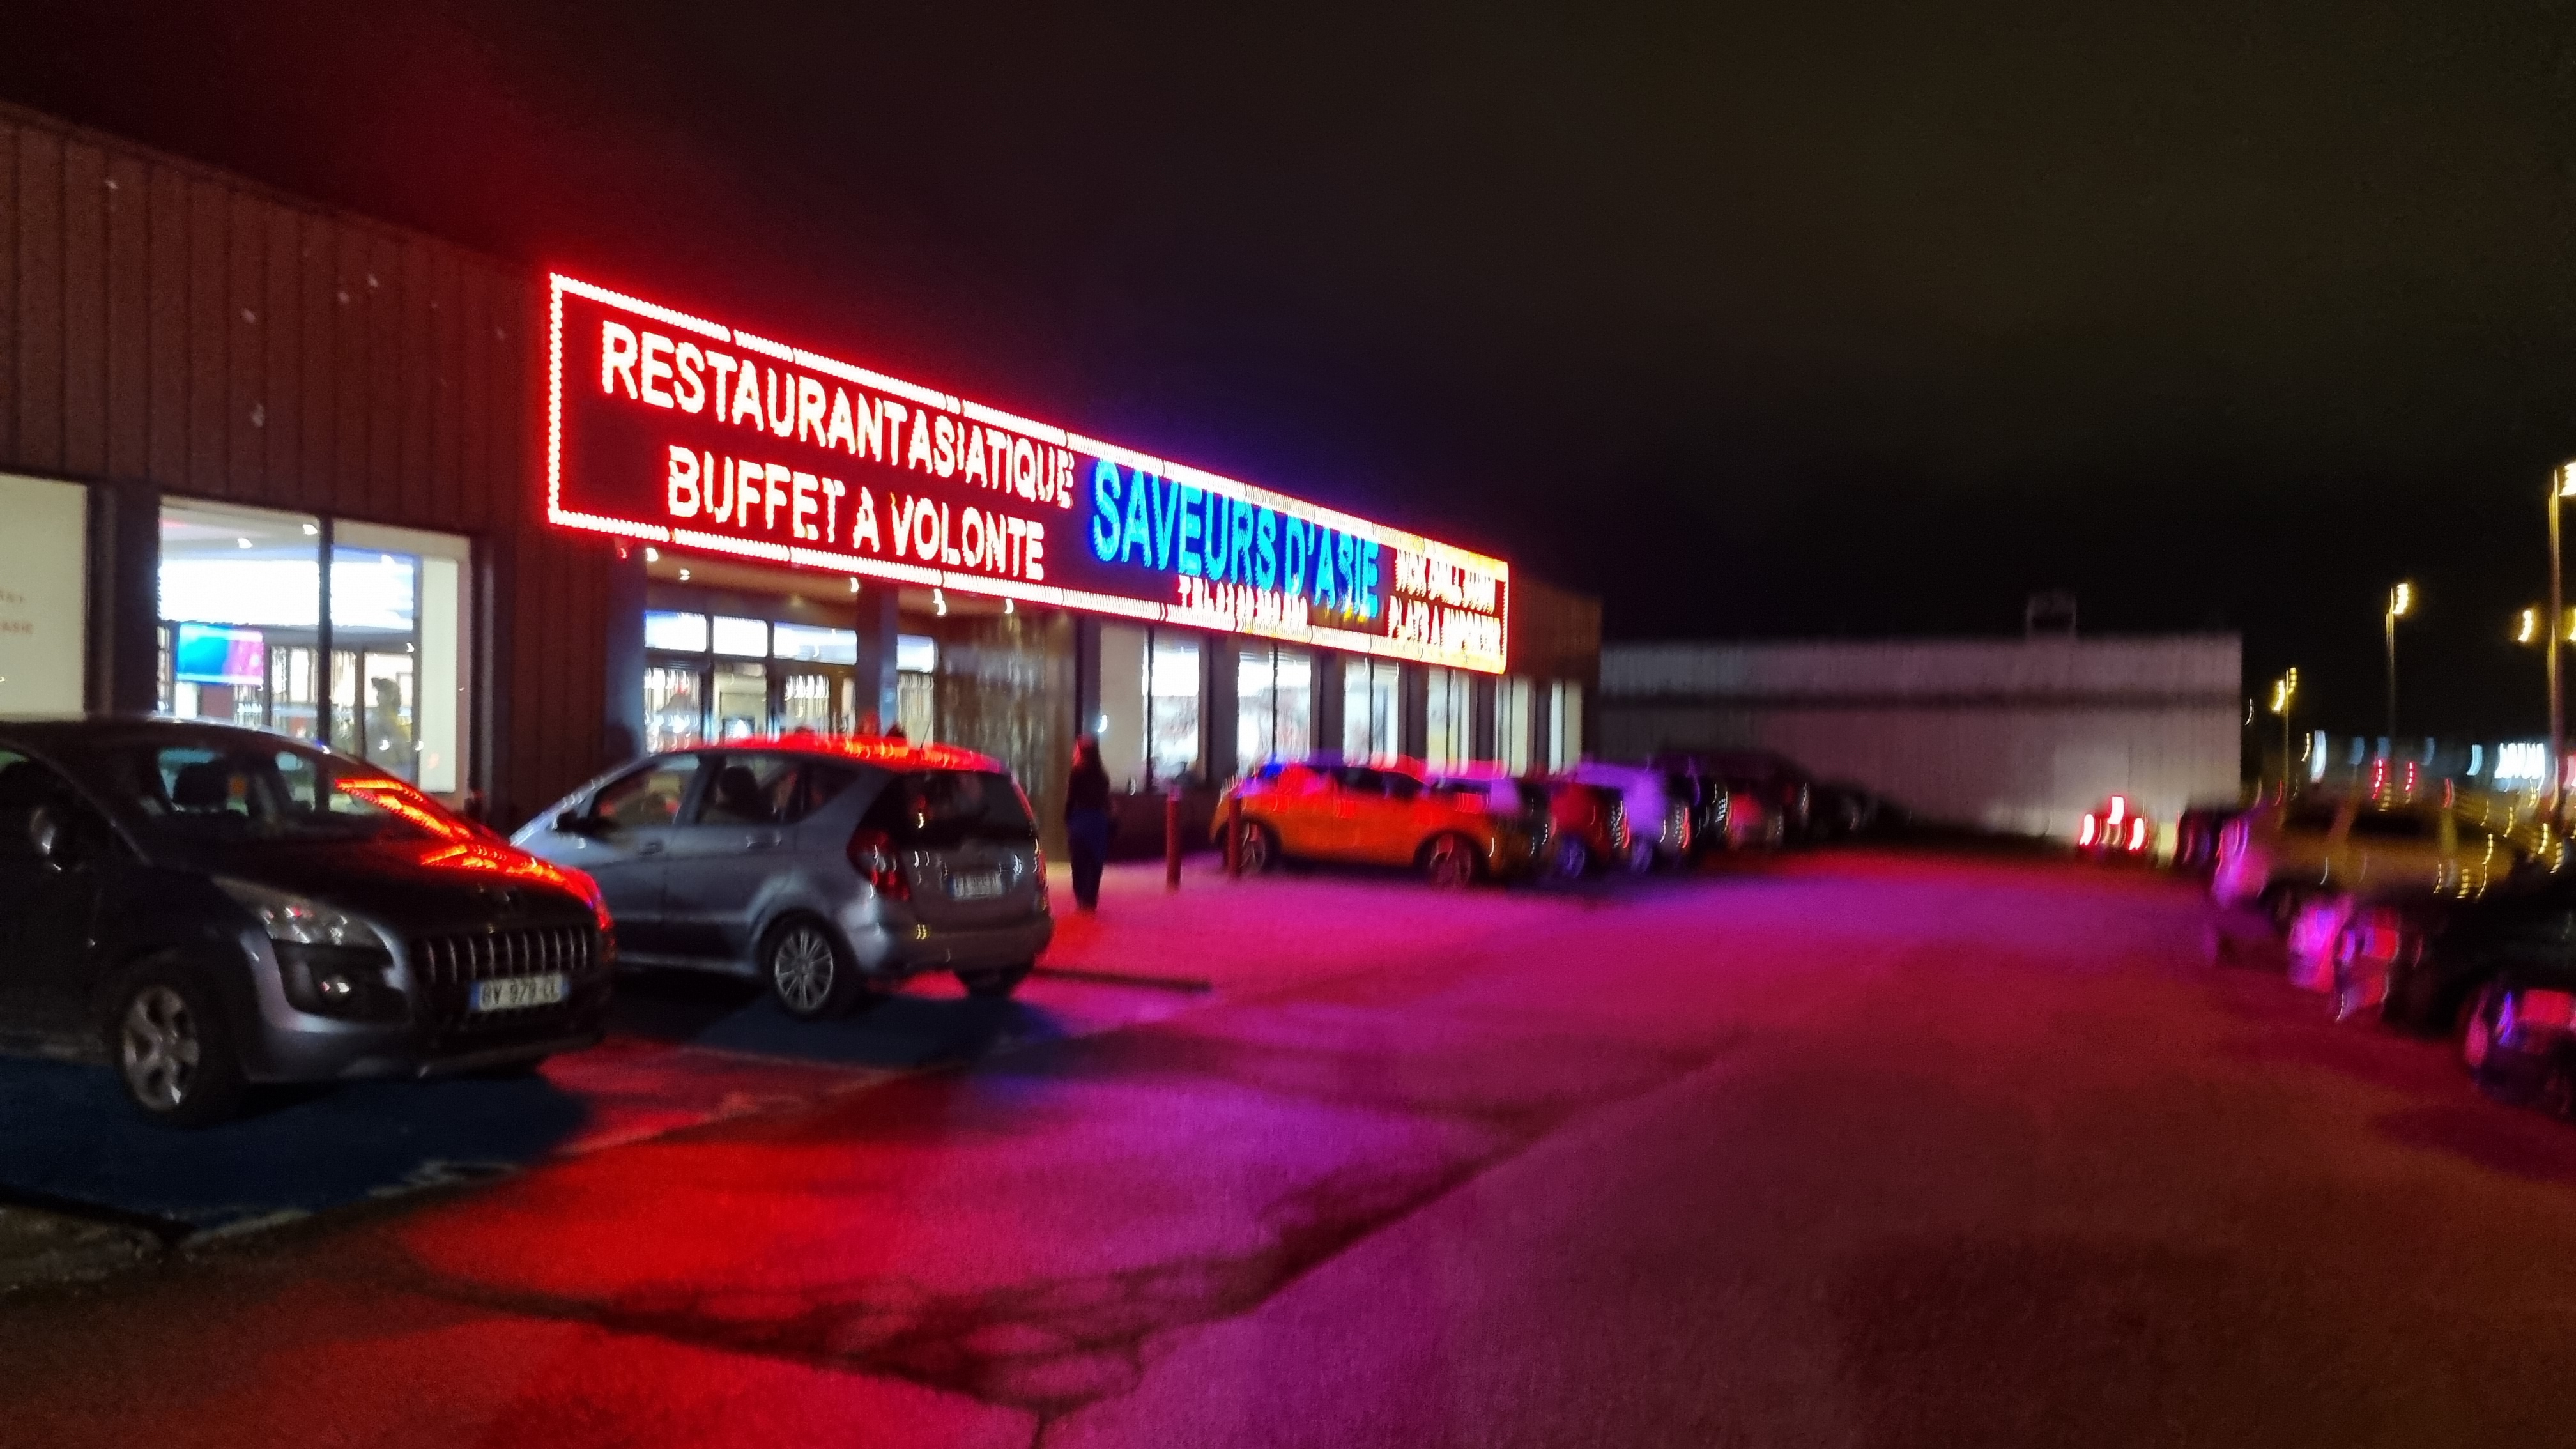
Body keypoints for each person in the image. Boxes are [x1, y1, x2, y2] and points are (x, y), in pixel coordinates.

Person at [1064, 736, 1112, 910]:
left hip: (1081, 820)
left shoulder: (1077, 774)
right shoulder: (1102, 776)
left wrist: (1067, 818)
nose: (1074, 753)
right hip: (1098, 821)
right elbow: (1106, 801)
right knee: (1095, 861)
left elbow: (1071, 799)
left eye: (1076, 750)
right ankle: (1091, 897)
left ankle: (1082, 897)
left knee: (1079, 861)